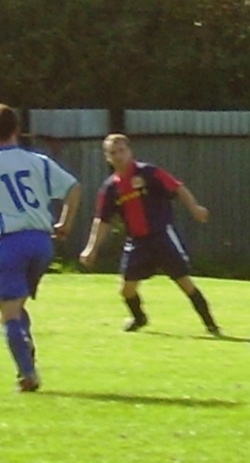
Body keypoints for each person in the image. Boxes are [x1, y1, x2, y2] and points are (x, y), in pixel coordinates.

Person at [79, 134, 220, 335]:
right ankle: (139, 318)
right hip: (137, 242)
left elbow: (177, 188)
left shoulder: (149, 172)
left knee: (184, 282)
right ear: (107, 158)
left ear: (130, 151)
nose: (118, 155)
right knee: (126, 289)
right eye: (113, 152)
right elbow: (102, 220)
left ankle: (211, 325)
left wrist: (195, 207)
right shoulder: (110, 188)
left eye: (121, 150)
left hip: (161, 236)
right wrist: (91, 248)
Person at [0, 104, 81, 392]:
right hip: (41, 243)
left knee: (8, 312)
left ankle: (27, 374)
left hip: (8, 244)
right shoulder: (37, 161)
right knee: (15, 304)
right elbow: (73, 188)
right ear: (17, 130)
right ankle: (26, 346)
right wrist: (65, 224)